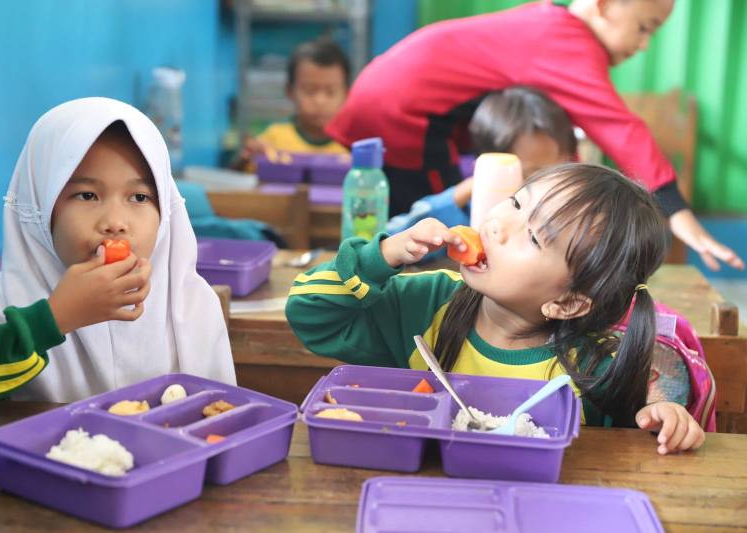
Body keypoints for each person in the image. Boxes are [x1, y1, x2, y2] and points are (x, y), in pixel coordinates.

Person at [287, 163, 705, 454]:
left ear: (567, 302)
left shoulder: (593, 366)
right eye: (516, 203)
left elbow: (636, 445)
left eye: (534, 238)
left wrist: (665, 413)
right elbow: (310, 312)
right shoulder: (429, 303)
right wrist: (383, 256)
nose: (497, 224)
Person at [326, 0, 742, 271]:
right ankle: (403, 301)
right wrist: (676, 210)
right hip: (400, 113)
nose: (645, 44)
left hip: (393, 100)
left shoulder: (551, 28)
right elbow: (618, 126)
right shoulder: (568, 41)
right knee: (435, 237)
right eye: (644, 27)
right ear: (605, 5)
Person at [0, 97, 235, 415]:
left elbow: (220, 418)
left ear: (164, 212)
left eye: (139, 197)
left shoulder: (191, 305)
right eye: (87, 195)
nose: (114, 222)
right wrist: (54, 319)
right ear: (41, 206)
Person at [387, 86, 576, 235]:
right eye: (528, 175)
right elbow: (393, 236)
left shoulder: (569, 210)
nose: (544, 185)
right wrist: (460, 194)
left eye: (557, 170)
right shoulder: (474, 210)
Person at [234, 38, 350, 170]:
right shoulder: (272, 141)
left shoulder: (353, 146)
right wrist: (247, 158)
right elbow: (237, 183)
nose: (320, 101)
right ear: (289, 91)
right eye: (309, 91)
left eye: (330, 92)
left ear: (347, 93)